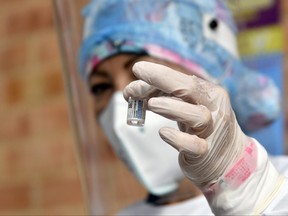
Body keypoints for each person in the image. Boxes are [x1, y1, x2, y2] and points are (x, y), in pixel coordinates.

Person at [79, 0, 288, 215]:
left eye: (139, 74)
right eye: (101, 87)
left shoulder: (279, 185)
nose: (123, 100)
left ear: (210, 78)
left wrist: (248, 192)